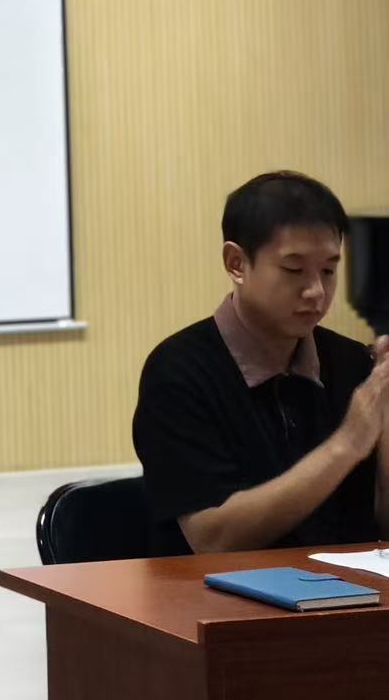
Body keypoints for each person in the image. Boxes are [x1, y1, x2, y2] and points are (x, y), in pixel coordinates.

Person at [133, 170, 389, 555]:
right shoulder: (178, 373)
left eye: (329, 270)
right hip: (218, 591)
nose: (316, 291)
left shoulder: (352, 363)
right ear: (236, 262)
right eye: (293, 270)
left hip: (348, 587)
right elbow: (212, 538)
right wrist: (348, 443)